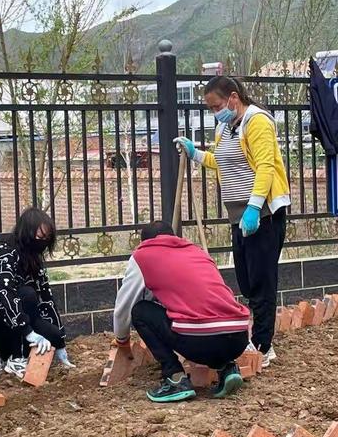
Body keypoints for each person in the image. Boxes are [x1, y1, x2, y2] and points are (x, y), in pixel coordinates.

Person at [175, 76, 290, 367]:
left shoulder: (258, 122)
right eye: (211, 108)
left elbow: (265, 166)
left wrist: (254, 207)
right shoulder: (225, 127)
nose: (215, 111)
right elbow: (222, 161)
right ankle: (255, 339)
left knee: (262, 281)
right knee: (247, 280)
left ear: (234, 98)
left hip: (262, 213)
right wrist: (196, 153)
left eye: (216, 105)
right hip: (238, 213)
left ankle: (263, 346)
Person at [113, 221, 249, 403]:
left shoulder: (143, 256)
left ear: (144, 242)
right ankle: (227, 369)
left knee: (140, 311)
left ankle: (175, 378)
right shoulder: (197, 251)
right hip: (238, 338)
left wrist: (122, 340)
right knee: (205, 318)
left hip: (200, 342)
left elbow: (124, 306)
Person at [0, 207, 75, 378]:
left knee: (46, 328)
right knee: (26, 296)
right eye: (40, 237)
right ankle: (17, 358)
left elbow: (47, 300)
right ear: (27, 233)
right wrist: (28, 333)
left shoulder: (33, 261)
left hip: (1, 314)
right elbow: (4, 295)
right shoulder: (5, 254)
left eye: (47, 239)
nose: (43, 243)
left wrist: (59, 340)